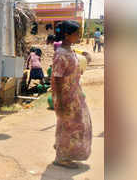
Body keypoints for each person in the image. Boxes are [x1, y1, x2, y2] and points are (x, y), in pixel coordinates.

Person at [51, 20, 92, 169]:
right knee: (70, 125)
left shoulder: (70, 51)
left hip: (74, 94)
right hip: (66, 97)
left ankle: (64, 150)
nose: (78, 36)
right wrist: (61, 103)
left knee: (72, 125)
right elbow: (57, 78)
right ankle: (62, 157)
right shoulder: (61, 54)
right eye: (76, 33)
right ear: (67, 35)